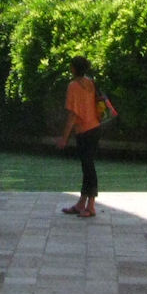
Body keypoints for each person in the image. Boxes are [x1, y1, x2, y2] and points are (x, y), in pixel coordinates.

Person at [58, 55, 108, 217]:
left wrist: (64, 137)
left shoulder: (73, 86)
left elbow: (73, 114)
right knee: (87, 166)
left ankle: (91, 206)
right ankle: (82, 203)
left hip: (84, 131)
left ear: (73, 68)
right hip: (95, 127)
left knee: (88, 168)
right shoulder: (90, 82)